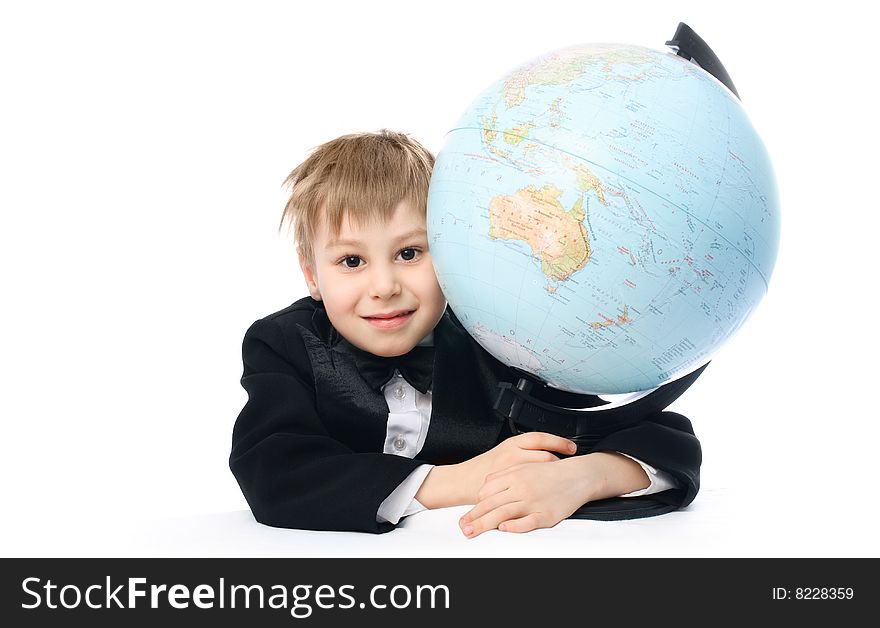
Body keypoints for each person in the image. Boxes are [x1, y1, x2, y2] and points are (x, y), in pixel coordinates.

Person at [229, 130, 702, 536]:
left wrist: (585, 476)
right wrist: (458, 482)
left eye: (410, 253)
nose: (384, 287)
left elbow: (665, 438)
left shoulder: (496, 342)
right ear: (312, 275)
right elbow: (273, 473)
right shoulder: (283, 344)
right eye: (351, 261)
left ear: (452, 251)